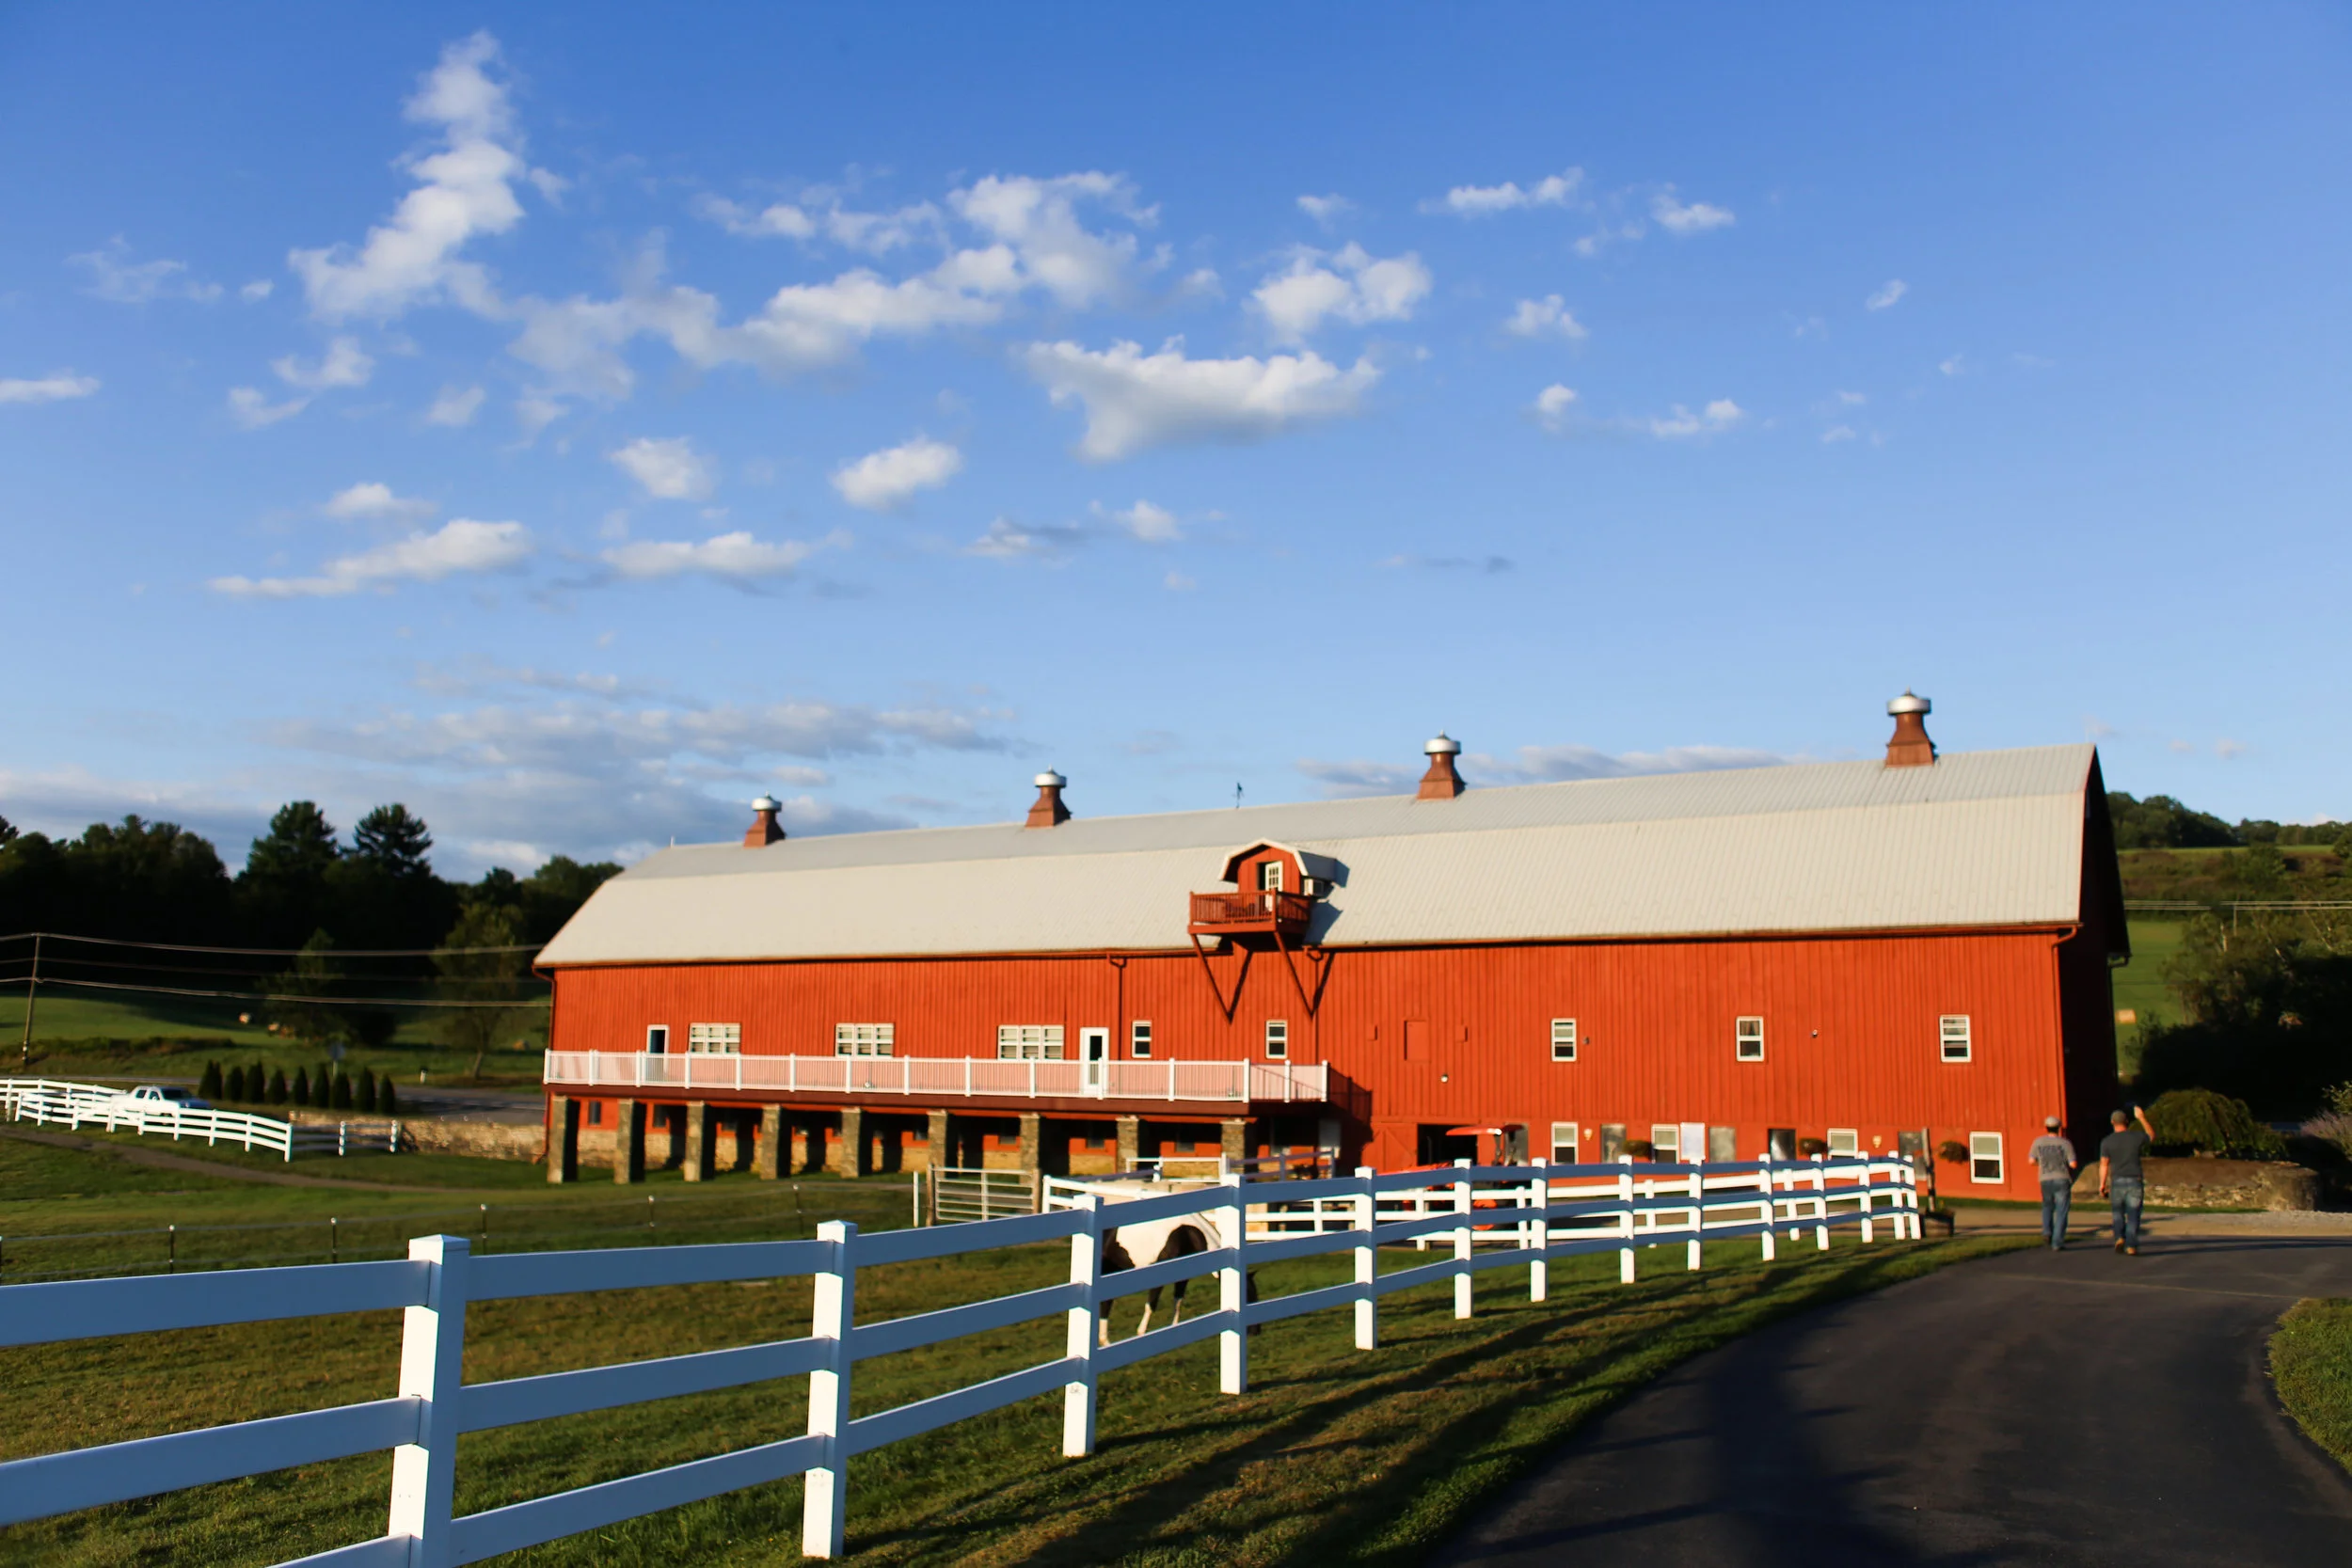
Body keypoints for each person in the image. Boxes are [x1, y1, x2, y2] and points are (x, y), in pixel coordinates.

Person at [2098, 1105, 2157, 1255]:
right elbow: (2151, 1136)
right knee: (2133, 1213)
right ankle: (2131, 1244)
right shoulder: (2135, 1137)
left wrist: (2102, 1184)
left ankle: (2119, 1237)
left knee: (2117, 1212)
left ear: (2112, 1122)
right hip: (2134, 1179)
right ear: (2127, 1122)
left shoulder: (2107, 1142)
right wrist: (2142, 1118)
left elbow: (2104, 1164)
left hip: (2117, 1180)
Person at [2026, 1116, 2077, 1249]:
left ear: (2046, 1127)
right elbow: (2073, 1164)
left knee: (2047, 1206)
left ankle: (2047, 1231)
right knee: (2061, 1210)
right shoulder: (2065, 1143)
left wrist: (2042, 1163)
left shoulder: (2038, 1142)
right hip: (2062, 1178)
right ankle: (2057, 1241)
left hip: (2045, 1178)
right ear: (2059, 1128)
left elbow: (2031, 1161)